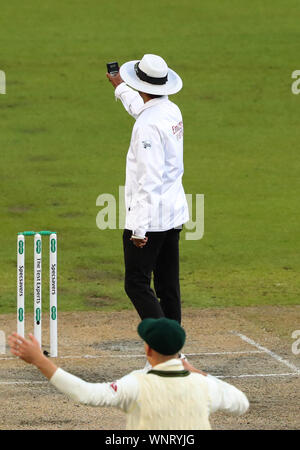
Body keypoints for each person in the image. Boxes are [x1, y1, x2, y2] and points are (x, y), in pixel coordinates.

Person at [9, 318, 249, 430]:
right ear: (178, 351)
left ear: (148, 349)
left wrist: (40, 360)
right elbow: (241, 403)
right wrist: (200, 374)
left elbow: (86, 393)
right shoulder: (204, 386)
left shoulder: (137, 384)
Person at [107, 54, 189, 324]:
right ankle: (176, 353)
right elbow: (141, 107)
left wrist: (138, 229)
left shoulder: (146, 126)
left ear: (141, 85)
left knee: (136, 284)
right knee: (167, 286)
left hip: (151, 219)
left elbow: (148, 180)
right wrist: (119, 86)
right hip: (173, 213)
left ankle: (165, 347)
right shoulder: (170, 110)